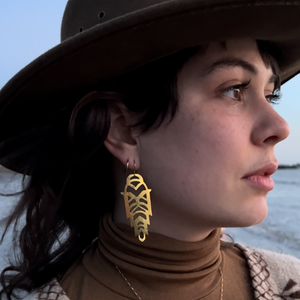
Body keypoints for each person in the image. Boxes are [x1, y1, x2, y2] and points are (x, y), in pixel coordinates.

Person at [1, 0, 300, 299]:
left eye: (269, 96)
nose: (280, 127)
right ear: (124, 130)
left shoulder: (289, 283)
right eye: (234, 90)